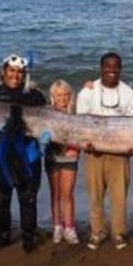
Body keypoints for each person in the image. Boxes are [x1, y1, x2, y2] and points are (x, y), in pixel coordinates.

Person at [0, 54, 47, 252]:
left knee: (28, 198)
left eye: (20, 72)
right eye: (11, 71)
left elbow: (47, 122)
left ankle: (29, 236)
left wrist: (45, 137)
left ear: (24, 74)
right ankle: (2, 236)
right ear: (3, 72)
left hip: (27, 153)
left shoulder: (34, 96)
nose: (15, 75)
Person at [76, 52, 133, 250]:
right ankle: (97, 232)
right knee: (95, 195)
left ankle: (119, 232)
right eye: (107, 66)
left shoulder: (128, 93)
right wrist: (86, 143)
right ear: (101, 68)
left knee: (119, 196)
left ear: (120, 69)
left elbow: (132, 123)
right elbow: (80, 121)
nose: (111, 70)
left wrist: (130, 146)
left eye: (115, 67)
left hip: (119, 153)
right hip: (94, 152)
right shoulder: (87, 92)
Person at [45, 79, 80, 245]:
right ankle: (57, 226)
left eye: (66, 94)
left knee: (68, 194)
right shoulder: (47, 112)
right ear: (53, 96)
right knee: (56, 194)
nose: (63, 98)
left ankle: (70, 227)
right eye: (59, 95)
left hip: (70, 155)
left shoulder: (74, 113)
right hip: (52, 156)